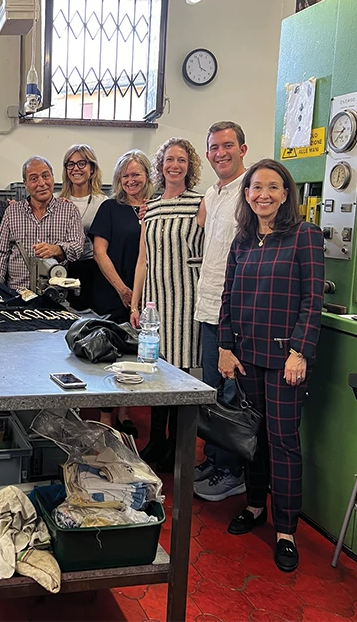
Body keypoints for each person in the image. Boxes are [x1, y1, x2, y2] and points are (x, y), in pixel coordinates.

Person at [218, 158, 324, 573]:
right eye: (256, 187)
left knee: (282, 442)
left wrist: (300, 351)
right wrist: (225, 347)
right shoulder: (242, 240)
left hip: (284, 362)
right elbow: (228, 298)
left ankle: (286, 531)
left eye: (273, 187)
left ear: (286, 194)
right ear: (247, 195)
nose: (263, 194)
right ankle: (255, 505)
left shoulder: (304, 236)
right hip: (246, 357)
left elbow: (312, 300)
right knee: (253, 438)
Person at [130, 139, 204, 467]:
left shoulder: (201, 203)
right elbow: (142, 260)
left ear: (190, 166)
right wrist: (135, 304)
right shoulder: (152, 207)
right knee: (156, 373)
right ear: (161, 166)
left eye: (182, 160)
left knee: (181, 375)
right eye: (169, 159)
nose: (175, 165)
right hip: (155, 304)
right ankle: (156, 441)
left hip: (187, 300)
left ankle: (177, 447)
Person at [193, 121, 249, 501]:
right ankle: (215, 459)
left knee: (232, 394)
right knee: (211, 391)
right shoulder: (213, 194)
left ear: (243, 149)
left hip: (238, 312)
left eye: (228, 145)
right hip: (208, 306)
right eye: (214, 147)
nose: (221, 153)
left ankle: (233, 471)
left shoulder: (250, 190)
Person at [91, 150, 153, 436]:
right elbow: (99, 253)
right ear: (118, 179)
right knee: (109, 355)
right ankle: (106, 416)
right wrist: (122, 289)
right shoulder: (110, 208)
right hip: (112, 292)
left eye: (136, 174)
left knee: (134, 354)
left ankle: (126, 411)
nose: (131, 180)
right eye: (125, 175)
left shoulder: (155, 207)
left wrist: (138, 296)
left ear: (147, 176)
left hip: (147, 295)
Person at [0, 156, 84, 290]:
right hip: (18, 293)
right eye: (33, 179)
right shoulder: (12, 212)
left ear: (53, 177)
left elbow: (77, 247)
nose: (41, 183)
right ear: (25, 184)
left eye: (45, 176)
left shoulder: (69, 210)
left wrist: (57, 249)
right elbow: (0, 253)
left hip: (54, 293)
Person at [57, 145, 107, 310]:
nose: (75, 169)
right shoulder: (55, 201)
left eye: (81, 163)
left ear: (92, 168)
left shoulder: (103, 203)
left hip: (92, 269)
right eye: (70, 164)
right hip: (62, 268)